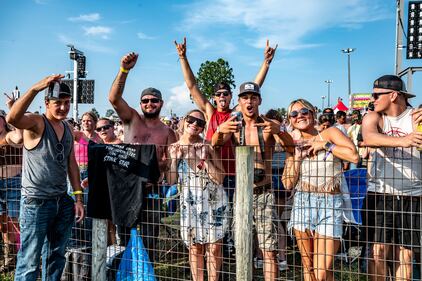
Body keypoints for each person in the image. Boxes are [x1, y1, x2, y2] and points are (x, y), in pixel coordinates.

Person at [174, 37, 277, 201]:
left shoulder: (236, 113)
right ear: (214, 98)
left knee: (232, 216)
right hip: (212, 171)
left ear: (231, 97)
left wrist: (266, 63)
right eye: (218, 94)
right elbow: (192, 86)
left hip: (234, 173)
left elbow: (255, 86)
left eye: (226, 93)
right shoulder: (210, 112)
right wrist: (182, 58)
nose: (222, 96)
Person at [6, 75, 84, 280]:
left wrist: (77, 197)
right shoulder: (37, 122)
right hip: (36, 203)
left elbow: (71, 164)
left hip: (61, 201)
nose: (63, 108)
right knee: (29, 261)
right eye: (58, 103)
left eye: (67, 103)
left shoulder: (67, 128)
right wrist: (35, 88)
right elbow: (12, 119)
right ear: (47, 103)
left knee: (56, 257)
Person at [212, 82, 284, 281]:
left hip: (264, 193)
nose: (249, 101)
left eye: (253, 97)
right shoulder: (234, 126)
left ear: (259, 100)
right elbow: (214, 145)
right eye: (245, 97)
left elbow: (290, 146)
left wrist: (281, 131)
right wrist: (219, 130)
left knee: (269, 250)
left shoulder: (268, 125)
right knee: (243, 248)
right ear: (239, 101)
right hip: (242, 194)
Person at [108, 52, 177, 259]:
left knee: (149, 241)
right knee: (125, 238)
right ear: (140, 104)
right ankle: (127, 273)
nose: (149, 103)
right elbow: (113, 98)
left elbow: (172, 168)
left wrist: (164, 166)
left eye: (154, 100)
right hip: (127, 189)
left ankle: (146, 273)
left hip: (151, 191)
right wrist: (124, 70)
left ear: (161, 103)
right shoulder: (131, 119)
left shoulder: (167, 133)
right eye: (145, 100)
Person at [282, 99, 358, 281]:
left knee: (321, 271)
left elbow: (353, 155)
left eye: (304, 111)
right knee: (309, 268)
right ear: (290, 120)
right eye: (294, 114)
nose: (299, 115)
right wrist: (298, 159)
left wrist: (325, 146)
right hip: (303, 202)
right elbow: (287, 184)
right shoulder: (292, 143)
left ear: (313, 113)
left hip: (330, 203)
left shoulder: (330, 133)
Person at [361, 75, 422, 281]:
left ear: (394, 95)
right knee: (377, 253)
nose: (373, 99)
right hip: (380, 193)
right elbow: (369, 137)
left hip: (412, 195)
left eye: (377, 95)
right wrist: (403, 140)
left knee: (404, 256)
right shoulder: (373, 116)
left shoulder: (416, 116)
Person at [168, 109, 229, 281]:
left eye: (200, 122)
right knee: (195, 247)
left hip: (214, 203)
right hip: (190, 205)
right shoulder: (174, 148)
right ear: (184, 120)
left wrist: (205, 159)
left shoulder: (207, 146)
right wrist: (174, 160)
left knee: (214, 247)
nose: (195, 124)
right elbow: (171, 181)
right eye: (192, 119)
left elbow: (220, 178)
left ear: (203, 127)